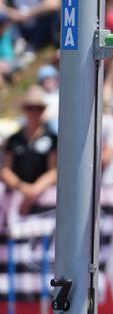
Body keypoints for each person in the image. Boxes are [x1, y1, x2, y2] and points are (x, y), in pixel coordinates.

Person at [2, 86, 57, 216]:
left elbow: (54, 170)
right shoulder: (14, 139)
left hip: (44, 197)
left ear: (43, 110)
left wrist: (35, 189)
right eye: (30, 108)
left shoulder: (51, 138)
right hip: (16, 197)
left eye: (38, 108)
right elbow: (5, 170)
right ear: (25, 110)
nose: (34, 113)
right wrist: (23, 188)